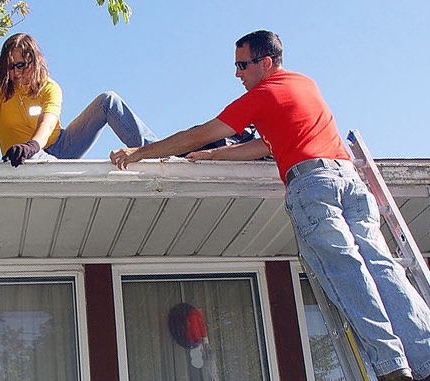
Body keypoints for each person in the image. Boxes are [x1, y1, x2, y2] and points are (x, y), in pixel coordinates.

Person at [110, 30, 430, 381]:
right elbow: (268, 145)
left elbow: (199, 132)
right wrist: (217, 156)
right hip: (350, 181)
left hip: (314, 187)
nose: (237, 74)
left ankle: (392, 368)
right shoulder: (305, 85)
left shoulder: (263, 93)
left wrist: (139, 152)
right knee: (382, 266)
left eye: (242, 65)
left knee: (347, 271)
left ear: (266, 63)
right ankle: (424, 357)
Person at [0, 33, 158, 166]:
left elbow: (47, 122)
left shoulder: (50, 87)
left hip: (60, 147)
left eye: (20, 65)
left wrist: (32, 146)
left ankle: (156, 151)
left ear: (34, 61)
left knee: (107, 101)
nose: (14, 73)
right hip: (19, 157)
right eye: (9, 67)